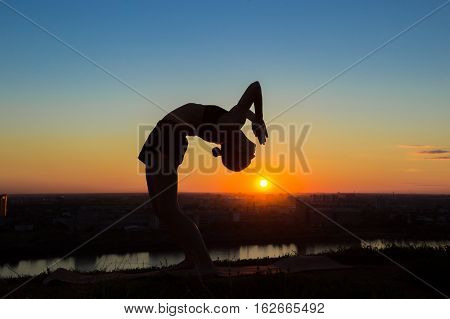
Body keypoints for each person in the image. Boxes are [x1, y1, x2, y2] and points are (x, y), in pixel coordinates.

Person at [138, 81, 268, 274]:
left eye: (249, 156)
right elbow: (255, 87)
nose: (253, 152)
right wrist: (259, 119)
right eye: (250, 157)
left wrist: (255, 119)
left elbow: (244, 107)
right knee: (162, 210)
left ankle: (204, 265)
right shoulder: (231, 123)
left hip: (168, 135)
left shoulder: (230, 126)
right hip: (165, 134)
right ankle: (194, 260)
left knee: (168, 209)